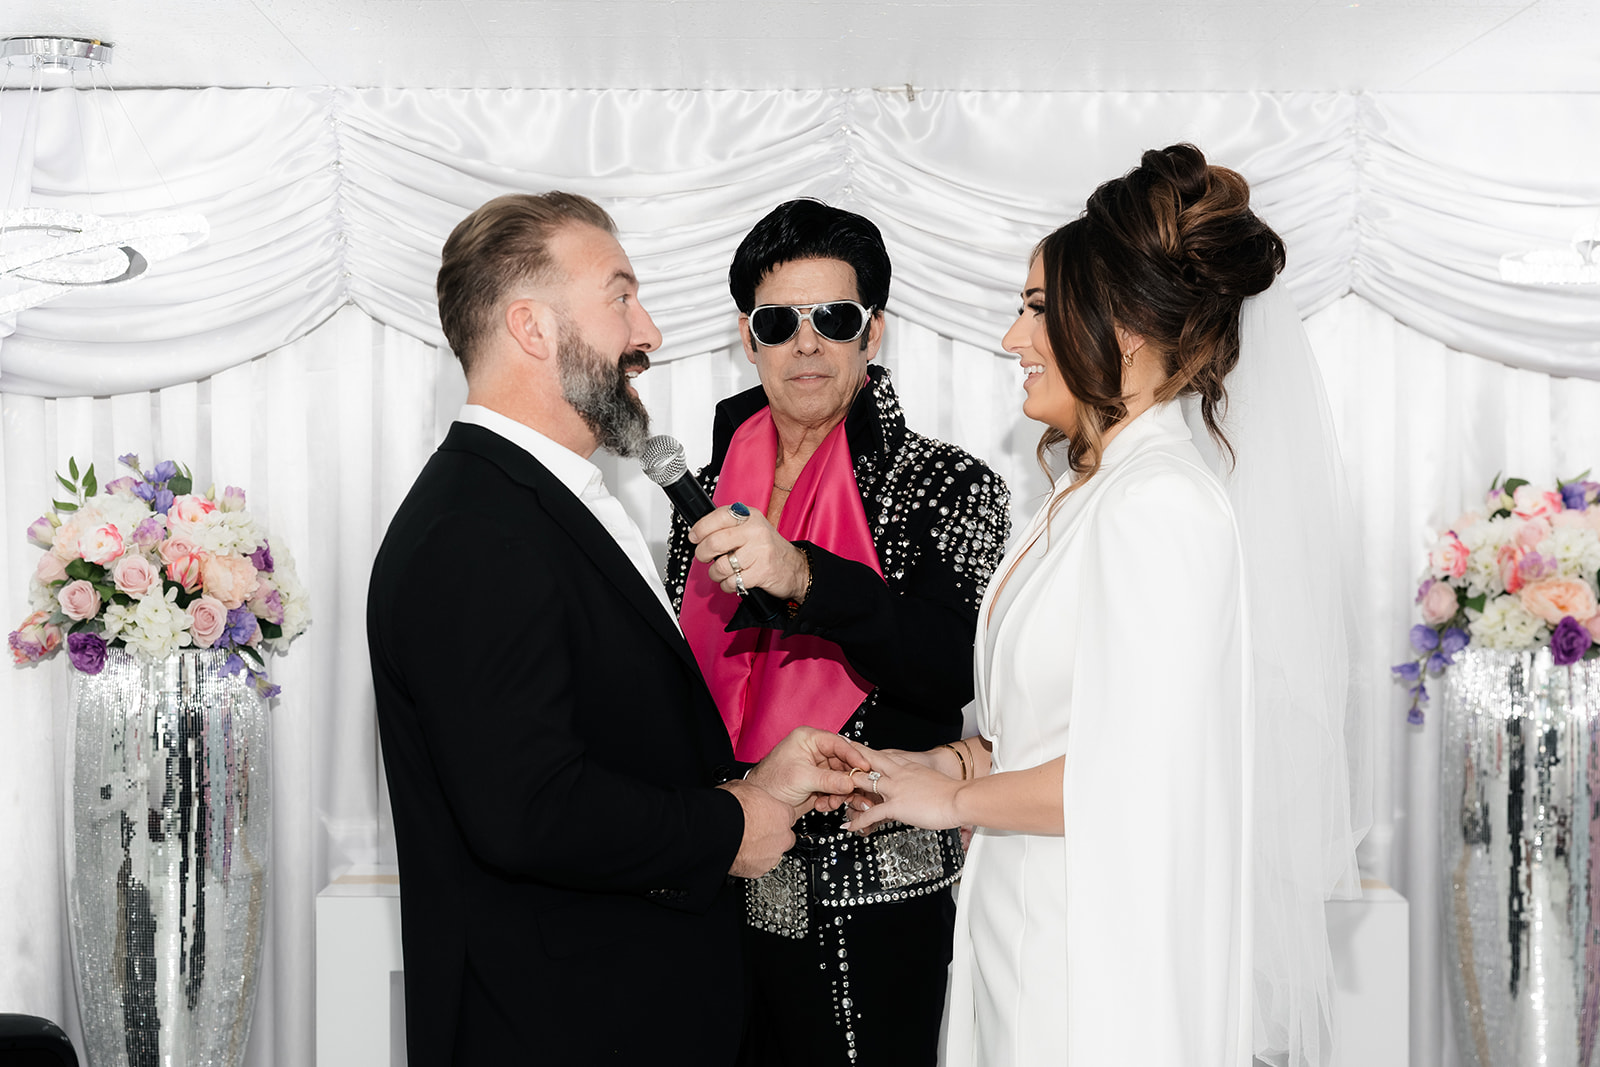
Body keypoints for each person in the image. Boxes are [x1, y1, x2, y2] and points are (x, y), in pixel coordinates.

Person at [843, 145, 1364, 1067]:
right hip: (1026, 925)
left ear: (1119, 327)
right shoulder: (1086, 493)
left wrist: (952, 797)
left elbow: (1136, 774)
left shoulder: (1160, 502)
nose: (1013, 337)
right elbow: (1063, 721)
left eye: (1037, 308)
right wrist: (939, 757)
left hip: (1093, 963)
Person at [367, 192, 868, 1066]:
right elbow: (527, 809)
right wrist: (728, 823)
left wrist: (753, 780)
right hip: (556, 1026)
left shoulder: (534, 502)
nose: (651, 330)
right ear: (534, 328)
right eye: (622, 296)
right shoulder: (475, 532)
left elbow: (600, 745)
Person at [665, 199, 1011, 1066]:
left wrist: (807, 577)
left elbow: (950, 668)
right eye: (779, 322)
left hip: (880, 906)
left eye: (835, 318)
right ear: (749, 338)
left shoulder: (949, 486)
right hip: (720, 892)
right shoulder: (698, 502)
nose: (806, 344)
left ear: (875, 332)